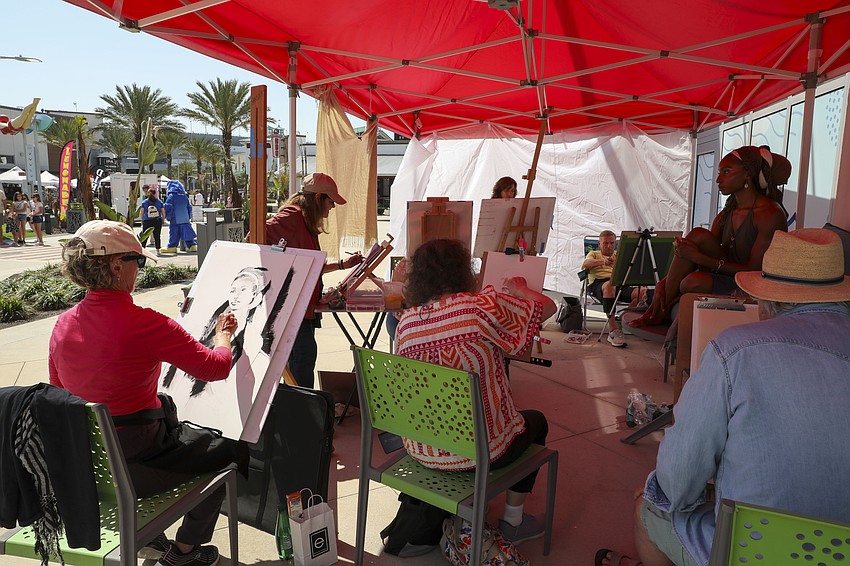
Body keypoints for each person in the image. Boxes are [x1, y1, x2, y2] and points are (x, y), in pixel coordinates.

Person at [597, 228, 850, 566]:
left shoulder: (736, 350)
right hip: (841, 553)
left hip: (752, 552)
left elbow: (679, 476)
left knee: (651, 507)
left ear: (767, 300)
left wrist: (662, 491)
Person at [49, 220, 248, 566]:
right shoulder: (145, 323)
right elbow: (215, 367)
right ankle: (185, 551)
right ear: (115, 265)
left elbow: (58, 394)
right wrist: (223, 336)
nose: (139, 269)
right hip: (137, 462)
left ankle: (151, 536)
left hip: (86, 466)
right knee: (229, 453)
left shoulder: (63, 324)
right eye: (137, 261)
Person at [395, 239, 557, 543]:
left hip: (423, 449)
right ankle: (513, 521)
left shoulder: (406, 325)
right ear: (462, 271)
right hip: (482, 452)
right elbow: (547, 308)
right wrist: (520, 289)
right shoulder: (481, 309)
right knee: (536, 421)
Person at [631, 146, 790, 327]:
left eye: (726, 172)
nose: (718, 179)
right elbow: (701, 249)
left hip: (751, 284)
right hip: (726, 275)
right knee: (698, 235)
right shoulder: (727, 213)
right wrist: (664, 283)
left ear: (747, 174)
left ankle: (661, 308)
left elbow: (752, 271)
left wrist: (698, 258)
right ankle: (662, 307)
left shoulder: (770, 214)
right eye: (719, 172)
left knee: (692, 283)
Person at [263, 172, 363, 388]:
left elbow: (310, 265)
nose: (332, 207)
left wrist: (342, 264)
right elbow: (254, 237)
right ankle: (302, 406)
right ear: (318, 198)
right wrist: (280, 266)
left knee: (303, 357)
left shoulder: (305, 219)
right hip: (291, 308)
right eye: (331, 201)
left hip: (301, 307)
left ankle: (298, 403)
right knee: (303, 357)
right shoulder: (293, 216)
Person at [582, 230, 648, 347]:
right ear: (599, 243)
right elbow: (586, 264)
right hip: (599, 284)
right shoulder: (594, 254)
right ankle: (613, 331)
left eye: (612, 243)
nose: (609, 246)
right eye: (606, 243)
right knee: (609, 285)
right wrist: (603, 261)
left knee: (644, 292)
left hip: (620, 284)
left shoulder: (618, 255)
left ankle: (622, 318)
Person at [161, 180, 197, 253]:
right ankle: (191, 246)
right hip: (185, 219)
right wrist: (189, 216)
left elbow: (168, 207)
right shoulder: (184, 196)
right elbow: (189, 207)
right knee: (187, 233)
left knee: (174, 233)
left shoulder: (171, 196)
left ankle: (172, 246)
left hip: (175, 218)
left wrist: (168, 216)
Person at [138, 185, 167, 251]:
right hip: (157, 220)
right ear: (155, 193)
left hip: (147, 221)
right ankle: (158, 250)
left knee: (145, 235)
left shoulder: (145, 202)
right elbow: (163, 212)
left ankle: (142, 249)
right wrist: (163, 219)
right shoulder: (159, 202)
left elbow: (141, 213)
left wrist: (141, 220)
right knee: (157, 235)